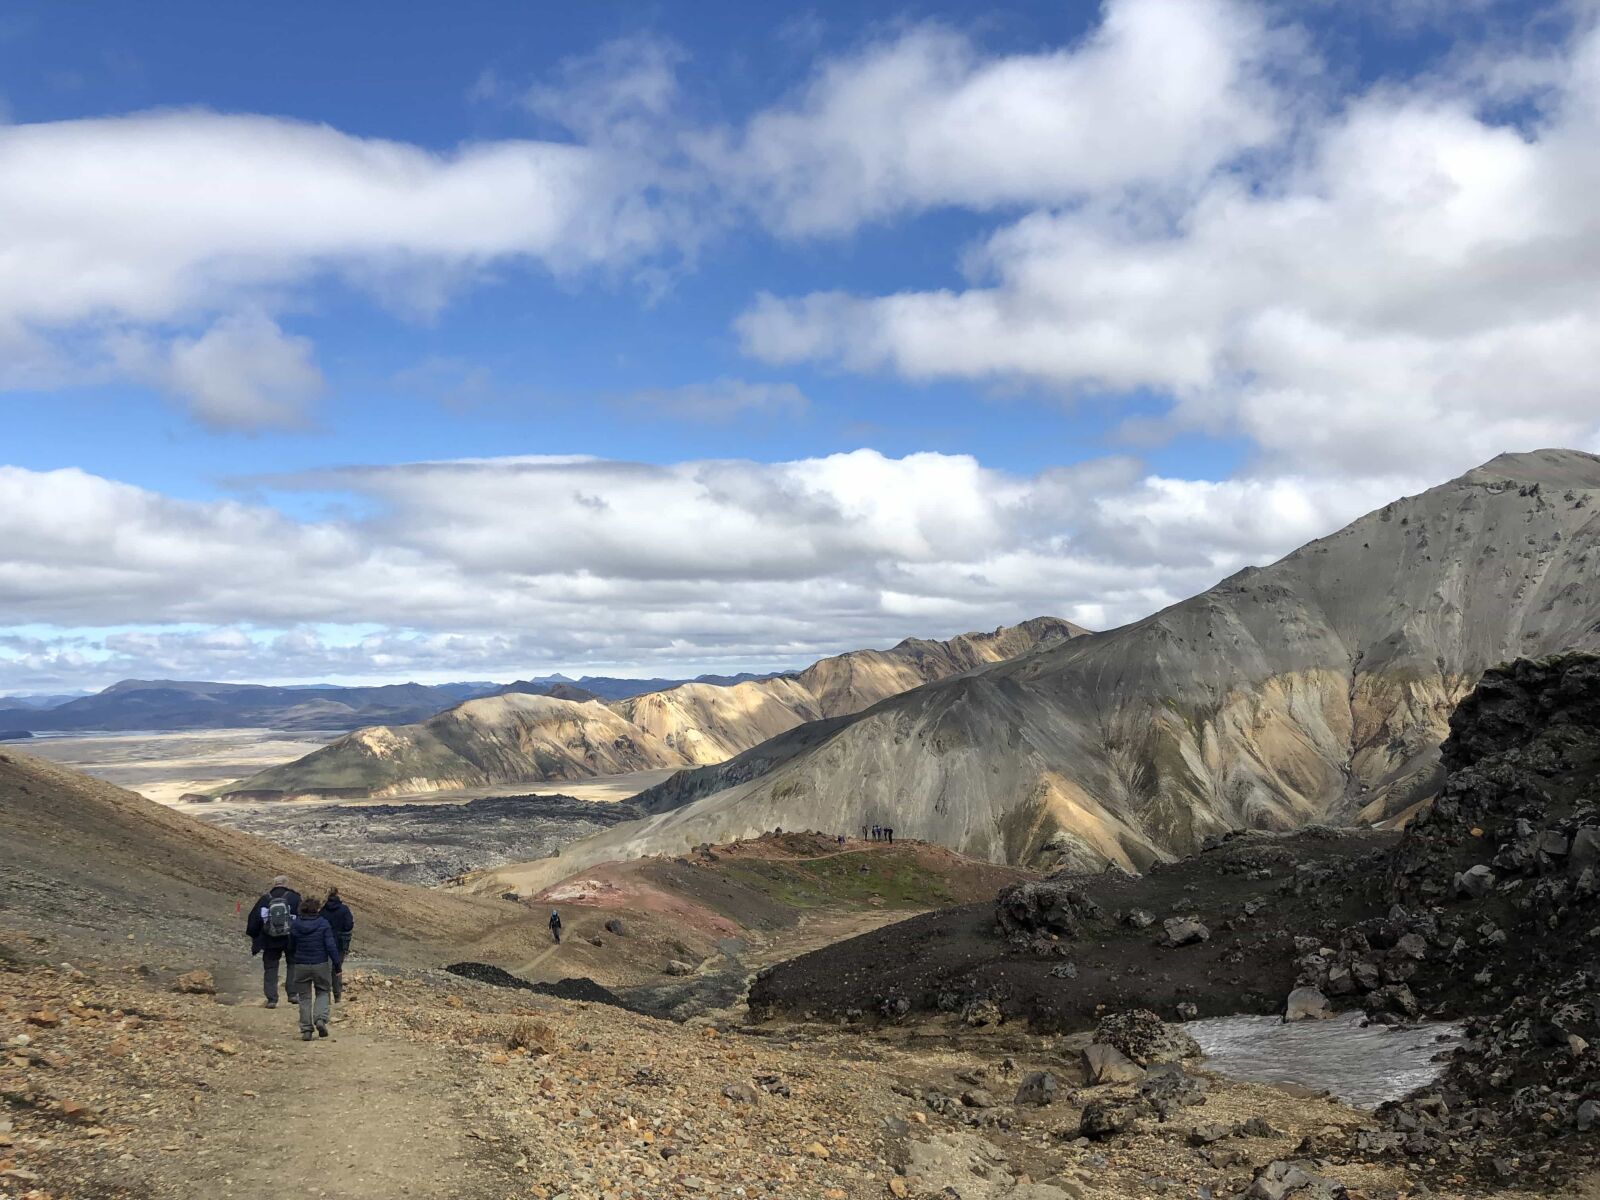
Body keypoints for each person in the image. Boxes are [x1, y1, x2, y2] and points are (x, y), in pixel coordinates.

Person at [288, 897, 342, 1041]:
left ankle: (306, 1030)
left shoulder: (295, 924)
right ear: (317, 909)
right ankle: (320, 1019)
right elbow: (331, 946)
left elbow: (291, 946)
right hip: (320, 964)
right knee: (323, 991)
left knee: (304, 998)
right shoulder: (323, 924)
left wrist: (294, 958)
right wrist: (337, 965)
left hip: (301, 964)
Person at [245, 875, 302, 1008]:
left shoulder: (265, 899)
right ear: (286, 883)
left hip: (270, 939)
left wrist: (256, 937)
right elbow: (302, 916)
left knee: (271, 967)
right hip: (290, 938)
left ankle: (272, 999)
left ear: (274, 884)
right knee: (293, 964)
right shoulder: (295, 898)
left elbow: (254, 920)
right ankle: (293, 993)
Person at [322, 888, 354, 1000]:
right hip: (340, 942)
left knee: (326, 968)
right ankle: (337, 995)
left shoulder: (323, 909)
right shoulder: (344, 909)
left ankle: (326, 996)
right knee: (337, 968)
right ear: (337, 895)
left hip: (325, 942)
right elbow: (349, 925)